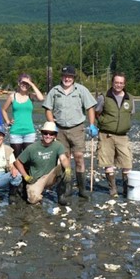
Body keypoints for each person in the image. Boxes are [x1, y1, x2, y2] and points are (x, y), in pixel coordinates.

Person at [42, 65, 97, 200]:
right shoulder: (54, 91)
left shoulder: (81, 90)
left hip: (77, 128)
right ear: (62, 77)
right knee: (64, 160)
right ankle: (67, 188)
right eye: (65, 76)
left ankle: (82, 189)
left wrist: (91, 125)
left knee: (79, 158)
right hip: (60, 130)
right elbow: (48, 109)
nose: (67, 78)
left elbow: (90, 107)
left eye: (70, 76)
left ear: (73, 78)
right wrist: (52, 124)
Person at [95, 72, 135, 198]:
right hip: (106, 135)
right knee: (108, 163)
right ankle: (113, 189)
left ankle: (125, 189)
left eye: (121, 83)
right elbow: (96, 112)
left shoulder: (130, 98)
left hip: (123, 136)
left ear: (124, 84)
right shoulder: (104, 97)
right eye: (116, 82)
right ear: (112, 83)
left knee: (127, 163)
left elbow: (130, 114)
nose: (118, 85)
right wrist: (102, 122)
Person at [14, 122, 72, 206]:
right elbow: (18, 161)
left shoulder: (58, 145)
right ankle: (27, 189)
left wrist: (68, 168)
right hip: (36, 178)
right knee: (33, 200)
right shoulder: (32, 148)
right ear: (42, 134)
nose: (48, 136)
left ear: (55, 136)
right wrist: (25, 176)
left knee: (64, 168)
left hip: (51, 175)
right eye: (45, 133)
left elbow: (63, 158)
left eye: (51, 134)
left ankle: (61, 196)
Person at [1, 73, 44, 158]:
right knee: (17, 159)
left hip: (29, 132)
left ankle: (26, 172)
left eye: (27, 84)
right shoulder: (12, 96)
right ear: (18, 83)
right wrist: (8, 121)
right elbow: (3, 110)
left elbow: (41, 98)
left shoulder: (31, 96)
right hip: (15, 132)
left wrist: (31, 84)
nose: (24, 85)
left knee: (28, 159)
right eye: (23, 83)